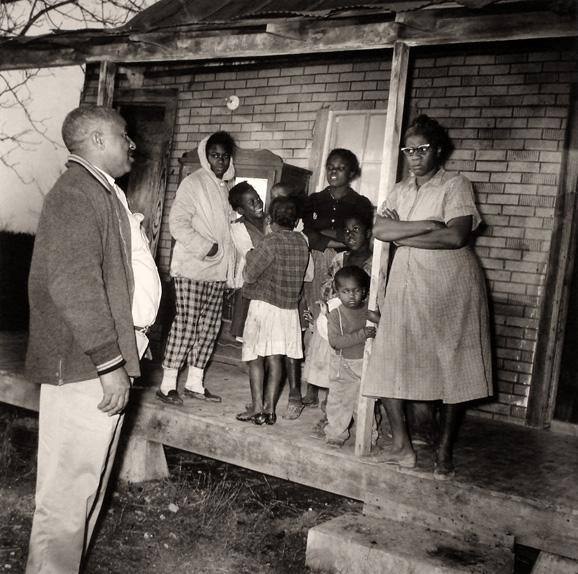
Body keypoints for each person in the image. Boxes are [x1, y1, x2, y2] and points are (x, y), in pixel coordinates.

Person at [25, 105, 161, 573]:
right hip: (86, 367)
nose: (133, 144)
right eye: (125, 136)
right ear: (99, 140)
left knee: (86, 490)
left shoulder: (102, 193)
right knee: (67, 497)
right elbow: (73, 283)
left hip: (100, 366)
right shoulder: (75, 194)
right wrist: (109, 364)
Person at [364, 114, 492, 478]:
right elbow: (379, 229)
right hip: (407, 283)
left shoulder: (455, 184)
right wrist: (424, 226)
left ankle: (444, 452)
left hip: (451, 286)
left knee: (454, 366)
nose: (415, 155)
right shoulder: (400, 189)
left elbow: (456, 237)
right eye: (409, 150)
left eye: (422, 149)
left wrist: (400, 235)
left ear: (437, 150)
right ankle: (403, 447)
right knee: (388, 361)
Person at [156, 131, 236, 406]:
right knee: (187, 325)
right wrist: (206, 246)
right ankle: (167, 384)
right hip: (193, 266)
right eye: (215, 155)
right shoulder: (193, 183)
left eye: (225, 156)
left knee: (210, 328)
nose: (220, 161)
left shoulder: (226, 187)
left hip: (217, 272)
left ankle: (194, 383)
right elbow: (177, 223)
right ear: (206, 155)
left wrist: (231, 267)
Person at [302, 148, 373, 407]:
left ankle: (336, 385)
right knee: (318, 318)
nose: (333, 171)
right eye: (330, 166)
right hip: (321, 261)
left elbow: (354, 235)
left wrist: (329, 235)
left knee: (344, 321)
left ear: (351, 173)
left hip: (349, 265)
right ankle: (311, 384)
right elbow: (309, 234)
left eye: (340, 167)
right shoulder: (314, 199)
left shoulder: (360, 203)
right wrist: (335, 237)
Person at [237, 196, 310, 425]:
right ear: (296, 221)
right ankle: (270, 410)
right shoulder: (301, 242)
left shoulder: (269, 242)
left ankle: (257, 408)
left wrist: (249, 255)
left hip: (264, 308)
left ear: (269, 219)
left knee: (256, 357)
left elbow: (249, 274)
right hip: (288, 311)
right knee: (276, 358)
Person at [304, 211, 377, 433]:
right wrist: (320, 316)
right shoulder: (339, 258)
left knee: (357, 377)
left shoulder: (376, 261)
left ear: (368, 233)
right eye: (346, 231)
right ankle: (331, 417)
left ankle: (363, 421)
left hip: (358, 324)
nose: (350, 234)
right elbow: (327, 288)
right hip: (335, 322)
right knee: (332, 373)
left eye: (356, 230)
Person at [324, 266, 379, 447]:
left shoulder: (370, 312)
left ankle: (368, 437)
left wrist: (378, 320)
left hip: (366, 363)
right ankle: (335, 434)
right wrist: (363, 334)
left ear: (364, 291)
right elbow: (336, 342)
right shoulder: (335, 315)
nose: (352, 296)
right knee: (340, 401)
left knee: (364, 403)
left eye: (356, 291)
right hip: (343, 366)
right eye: (346, 291)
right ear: (337, 292)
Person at [228, 181, 266, 340]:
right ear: (241, 210)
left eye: (257, 198)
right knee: (249, 333)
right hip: (250, 282)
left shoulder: (271, 220)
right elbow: (249, 253)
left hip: (270, 283)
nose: (257, 202)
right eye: (251, 202)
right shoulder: (238, 227)